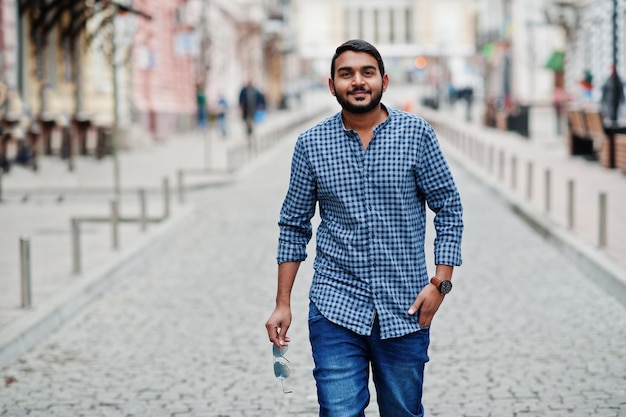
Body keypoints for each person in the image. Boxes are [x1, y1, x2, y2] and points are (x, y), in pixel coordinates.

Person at [265, 39, 463, 416]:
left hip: (406, 308)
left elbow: (449, 208)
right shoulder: (311, 144)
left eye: (367, 73)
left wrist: (441, 283)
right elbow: (293, 225)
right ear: (331, 85)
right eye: (346, 74)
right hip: (335, 307)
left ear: (384, 81)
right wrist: (282, 303)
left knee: (403, 412)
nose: (357, 81)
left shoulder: (416, 135)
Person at [238, 80, 266, 145]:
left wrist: (261, 105)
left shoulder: (254, 90)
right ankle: (249, 135)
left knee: (253, 124)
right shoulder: (244, 90)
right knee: (248, 124)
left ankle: (252, 135)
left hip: (254, 111)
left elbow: (260, 98)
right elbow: (240, 99)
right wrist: (241, 106)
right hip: (247, 112)